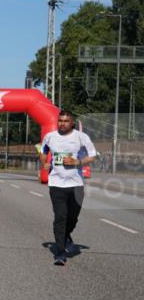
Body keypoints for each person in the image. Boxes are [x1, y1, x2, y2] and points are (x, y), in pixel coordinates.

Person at [40, 110, 97, 265]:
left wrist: (76, 162)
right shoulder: (50, 136)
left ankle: (66, 235)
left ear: (72, 122)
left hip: (76, 184)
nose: (62, 124)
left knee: (72, 218)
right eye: (60, 120)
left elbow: (93, 156)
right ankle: (59, 253)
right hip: (56, 184)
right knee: (60, 217)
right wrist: (44, 162)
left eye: (66, 121)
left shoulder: (81, 137)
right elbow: (43, 150)